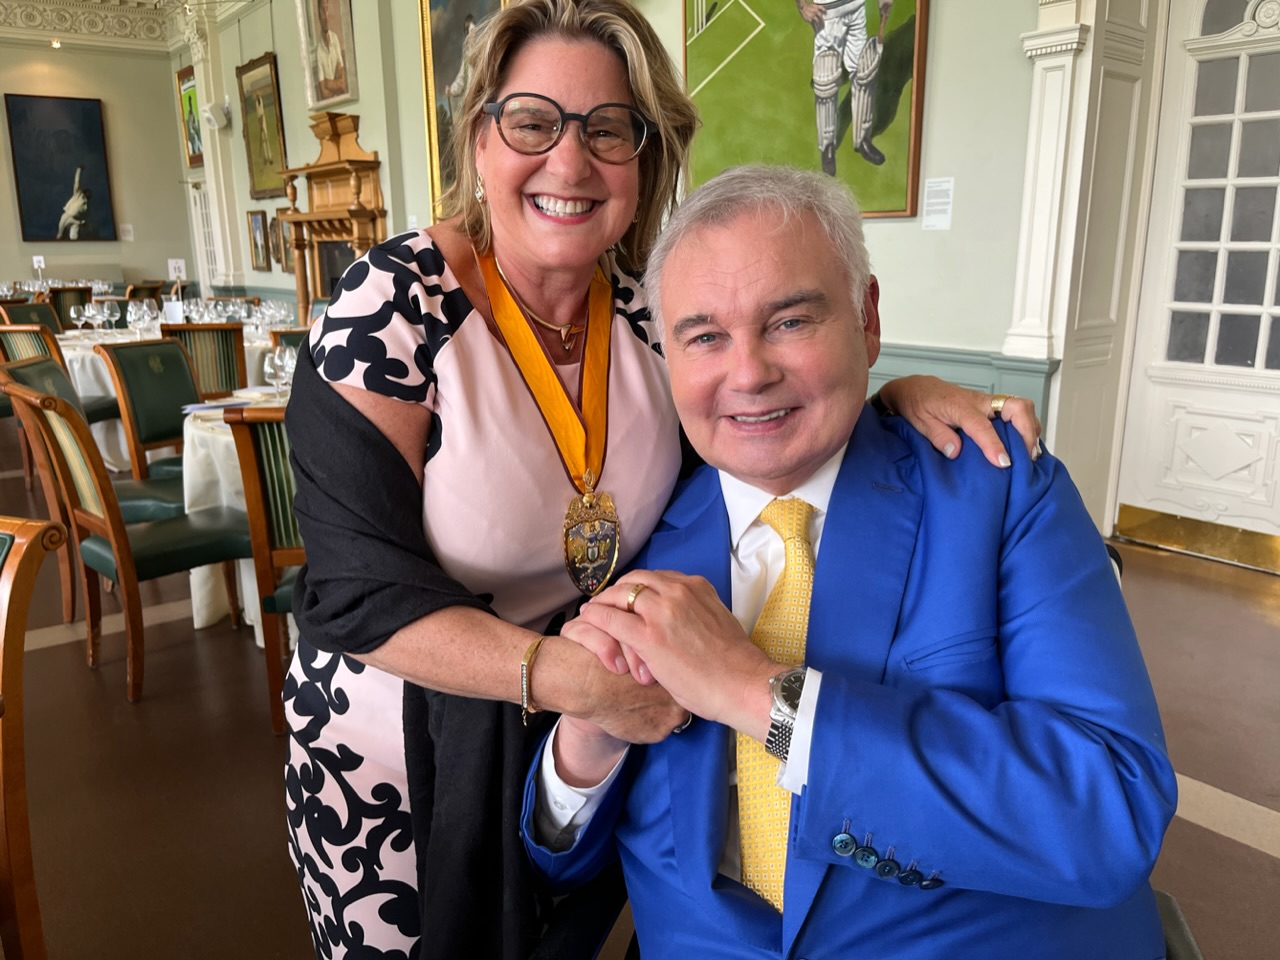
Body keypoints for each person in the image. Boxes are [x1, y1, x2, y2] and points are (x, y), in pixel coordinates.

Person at [283, 2, 1041, 958]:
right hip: (411, 742)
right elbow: (353, 587)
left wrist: (891, 395)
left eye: (609, 130)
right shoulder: (395, 302)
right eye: (532, 122)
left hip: (602, 725)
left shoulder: (649, 314)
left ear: (647, 159)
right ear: (479, 140)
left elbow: (752, 430)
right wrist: (573, 681)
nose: (569, 162)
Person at [524, 165, 1178, 958]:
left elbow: (1111, 811)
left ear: (867, 319)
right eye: (704, 337)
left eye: (790, 321)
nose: (748, 373)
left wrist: (756, 693)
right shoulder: (645, 530)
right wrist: (584, 743)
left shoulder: (998, 488)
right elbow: (565, 856)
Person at [797, 0, 891, 174]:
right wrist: (803, 6)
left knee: (864, 73)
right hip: (827, 13)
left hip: (856, 9)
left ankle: (862, 139)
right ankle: (827, 146)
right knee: (826, 78)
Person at [56, 165, 90, 239]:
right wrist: (79, 170)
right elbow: (77, 182)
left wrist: (83, 223)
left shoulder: (87, 205)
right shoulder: (78, 194)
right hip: (67, 216)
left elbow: (85, 216)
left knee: (74, 237)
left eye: (89, 193)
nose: (89, 194)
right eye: (87, 192)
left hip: (76, 221)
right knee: (60, 234)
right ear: (84, 192)